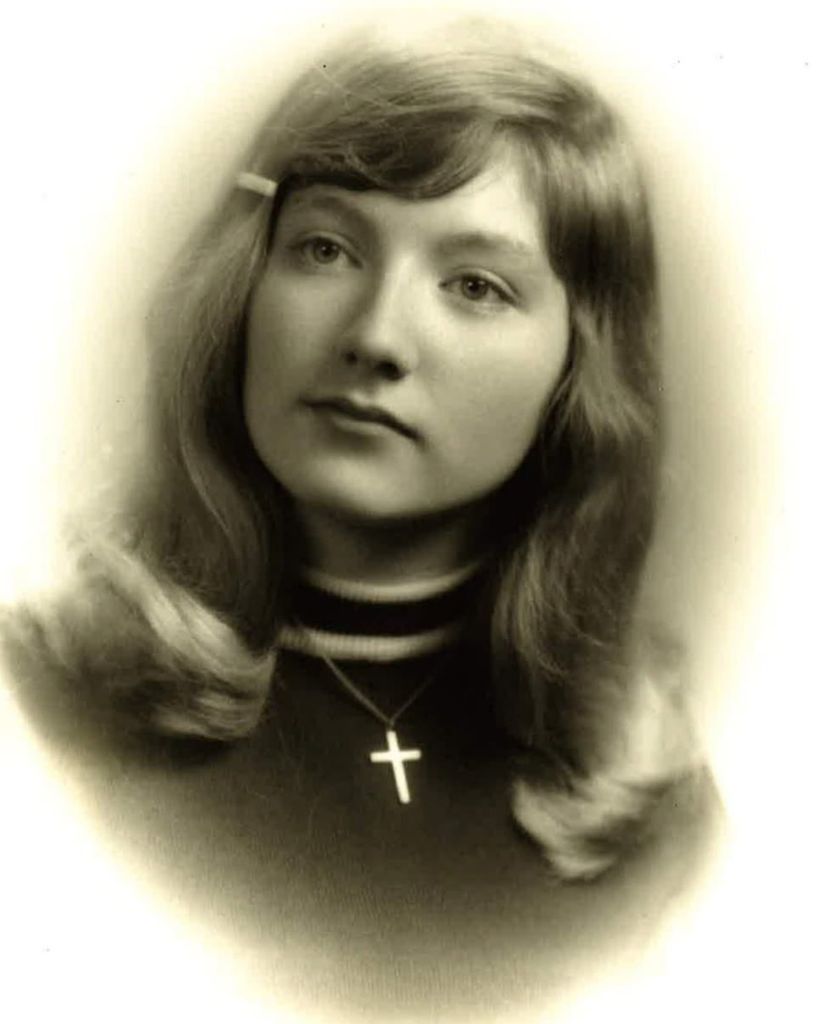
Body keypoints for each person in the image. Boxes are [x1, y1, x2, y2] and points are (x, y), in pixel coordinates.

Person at [3, 17, 717, 1022]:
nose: (376, 336)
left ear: (578, 367)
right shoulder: (36, 713)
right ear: (244, 287)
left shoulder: (650, 807)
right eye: (327, 248)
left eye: (475, 285)